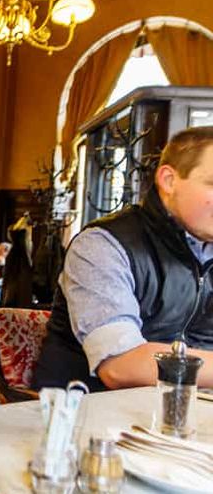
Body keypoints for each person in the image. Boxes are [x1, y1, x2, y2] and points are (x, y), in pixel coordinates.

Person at [34, 127, 213, 392]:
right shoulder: (102, 244)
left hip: (184, 417)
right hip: (88, 417)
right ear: (169, 180)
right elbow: (121, 366)